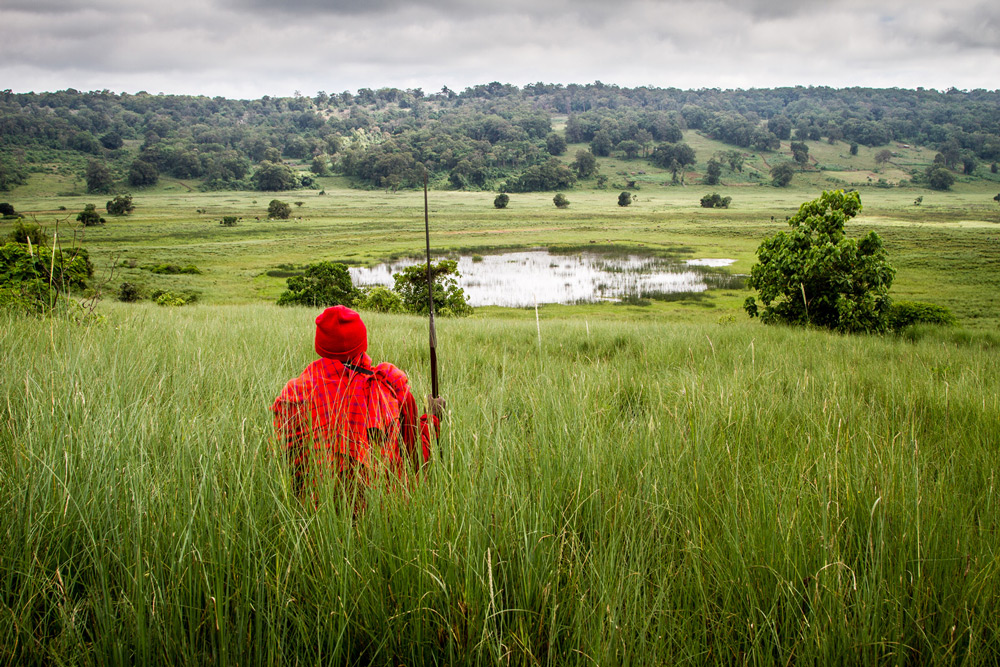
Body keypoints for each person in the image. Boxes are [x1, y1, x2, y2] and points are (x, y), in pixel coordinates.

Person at [272, 305, 444, 499]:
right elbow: (415, 458)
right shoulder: (388, 386)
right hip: (381, 506)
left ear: (320, 346)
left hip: (313, 506)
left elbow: (288, 460)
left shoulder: (295, 394)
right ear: (363, 343)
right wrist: (433, 419)